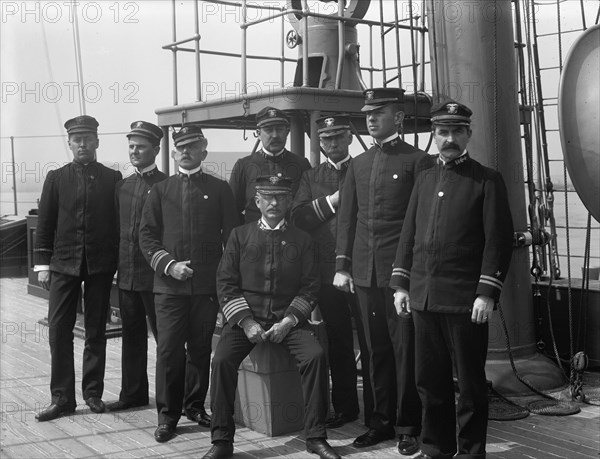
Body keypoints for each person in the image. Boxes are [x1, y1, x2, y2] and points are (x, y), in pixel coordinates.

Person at [391, 100, 514, 459]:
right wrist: (401, 284)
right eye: (443, 132)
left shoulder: (487, 180)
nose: (449, 139)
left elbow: (498, 241)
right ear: (434, 134)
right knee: (430, 383)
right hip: (424, 298)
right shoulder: (425, 178)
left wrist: (487, 293)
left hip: (464, 301)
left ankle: (472, 452)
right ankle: (436, 448)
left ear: (468, 135)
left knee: (472, 385)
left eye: (456, 131)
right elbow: (408, 234)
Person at [204, 176, 341, 459]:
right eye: (267, 197)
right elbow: (226, 284)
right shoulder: (239, 236)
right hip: (246, 320)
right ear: (257, 201)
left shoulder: (302, 239)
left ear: (290, 202)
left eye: (280, 197)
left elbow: (310, 286)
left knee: (315, 356)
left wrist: (289, 321)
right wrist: (246, 321)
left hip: (287, 321)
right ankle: (222, 441)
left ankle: (315, 437)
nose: (274, 203)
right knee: (221, 360)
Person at [333, 88, 434, 455]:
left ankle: (408, 425)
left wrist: (407, 276)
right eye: (368, 113)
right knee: (375, 351)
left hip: (400, 277)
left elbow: (422, 224)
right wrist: (342, 265)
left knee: (404, 350)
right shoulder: (358, 164)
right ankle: (379, 421)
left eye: (380, 112)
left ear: (399, 118)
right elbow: (348, 219)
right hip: (363, 275)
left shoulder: (418, 162)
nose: (371, 118)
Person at [139, 124, 237, 443]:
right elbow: (147, 236)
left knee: (199, 350)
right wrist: (170, 266)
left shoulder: (220, 189)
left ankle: (194, 406)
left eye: (192, 146)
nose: (185, 151)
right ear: (173, 152)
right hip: (169, 289)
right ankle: (168, 416)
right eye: (180, 146)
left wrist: (222, 283)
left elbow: (232, 240)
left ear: (204, 150)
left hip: (206, 290)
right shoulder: (160, 191)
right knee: (169, 351)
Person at [34, 115, 122, 421]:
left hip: (99, 266)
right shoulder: (56, 179)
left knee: (96, 330)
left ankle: (93, 393)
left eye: (88, 139)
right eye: (77, 139)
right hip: (62, 265)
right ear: (69, 143)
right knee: (59, 330)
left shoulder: (113, 179)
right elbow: (44, 225)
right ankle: (62, 398)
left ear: (97, 142)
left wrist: (117, 264)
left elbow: (118, 227)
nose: (82, 144)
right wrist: (43, 265)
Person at [291, 114, 373, 429]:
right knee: (339, 341)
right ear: (319, 143)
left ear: (349, 137)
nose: (332, 144)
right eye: (326, 139)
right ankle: (346, 408)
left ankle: (379, 410)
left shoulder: (365, 169)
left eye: (338, 137)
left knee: (371, 342)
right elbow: (299, 217)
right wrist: (334, 200)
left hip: (365, 271)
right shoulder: (311, 178)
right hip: (328, 274)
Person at [107, 121, 166, 412]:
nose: (135, 151)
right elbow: (118, 232)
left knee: (165, 342)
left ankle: (168, 402)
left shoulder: (166, 185)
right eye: (131, 146)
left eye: (141, 146)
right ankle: (133, 395)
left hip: (157, 279)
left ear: (155, 149)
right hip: (128, 277)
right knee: (131, 338)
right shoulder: (122, 187)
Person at [229, 106, 311, 224]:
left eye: (279, 129)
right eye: (268, 129)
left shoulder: (302, 164)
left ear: (287, 132)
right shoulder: (244, 166)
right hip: (254, 239)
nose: (275, 135)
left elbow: (308, 208)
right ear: (258, 133)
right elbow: (232, 211)